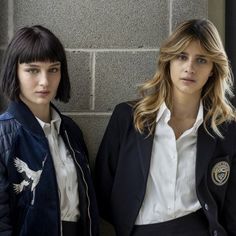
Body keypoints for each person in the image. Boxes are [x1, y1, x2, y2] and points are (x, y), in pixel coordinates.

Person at [95, 19, 236, 236]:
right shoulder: (128, 117)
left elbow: (230, 206)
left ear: (212, 70)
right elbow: (104, 189)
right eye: (182, 56)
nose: (190, 67)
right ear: (168, 61)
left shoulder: (226, 129)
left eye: (201, 60)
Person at [0, 25, 99, 236]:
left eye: (53, 69)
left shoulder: (71, 131)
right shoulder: (3, 134)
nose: (45, 81)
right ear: (14, 71)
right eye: (33, 70)